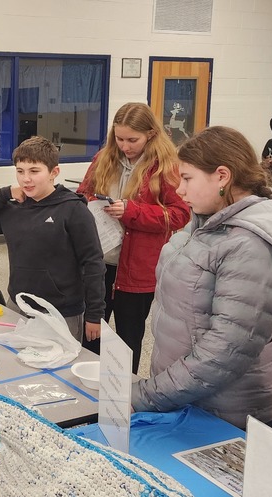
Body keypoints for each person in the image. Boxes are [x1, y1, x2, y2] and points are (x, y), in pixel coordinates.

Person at [132, 126, 272, 429]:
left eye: (188, 178)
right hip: (186, 395)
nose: (179, 190)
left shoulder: (253, 246)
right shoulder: (207, 222)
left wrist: (148, 396)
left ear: (222, 176)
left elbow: (226, 350)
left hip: (230, 409)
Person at [77, 103, 190, 372]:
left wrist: (132, 211)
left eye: (132, 140)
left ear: (151, 134)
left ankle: (124, 397)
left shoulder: (166, 166)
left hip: (137, 272)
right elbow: (83, 192)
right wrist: (88, 203)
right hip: (99, 264)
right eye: (119, 138)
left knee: (127, 340)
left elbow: (179, 215)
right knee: (90, 334)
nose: (125, 146)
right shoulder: (104, 157)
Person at [0, 136, 104, 344]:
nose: (26, 179)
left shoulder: (73, 209)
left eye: (34, 171)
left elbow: (93, 262)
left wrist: (94, 315)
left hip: (61, 311)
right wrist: (4, 193)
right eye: (20, 171)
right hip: (18, 304)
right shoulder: (13, 208)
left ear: (54, 172)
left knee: (58, 370)